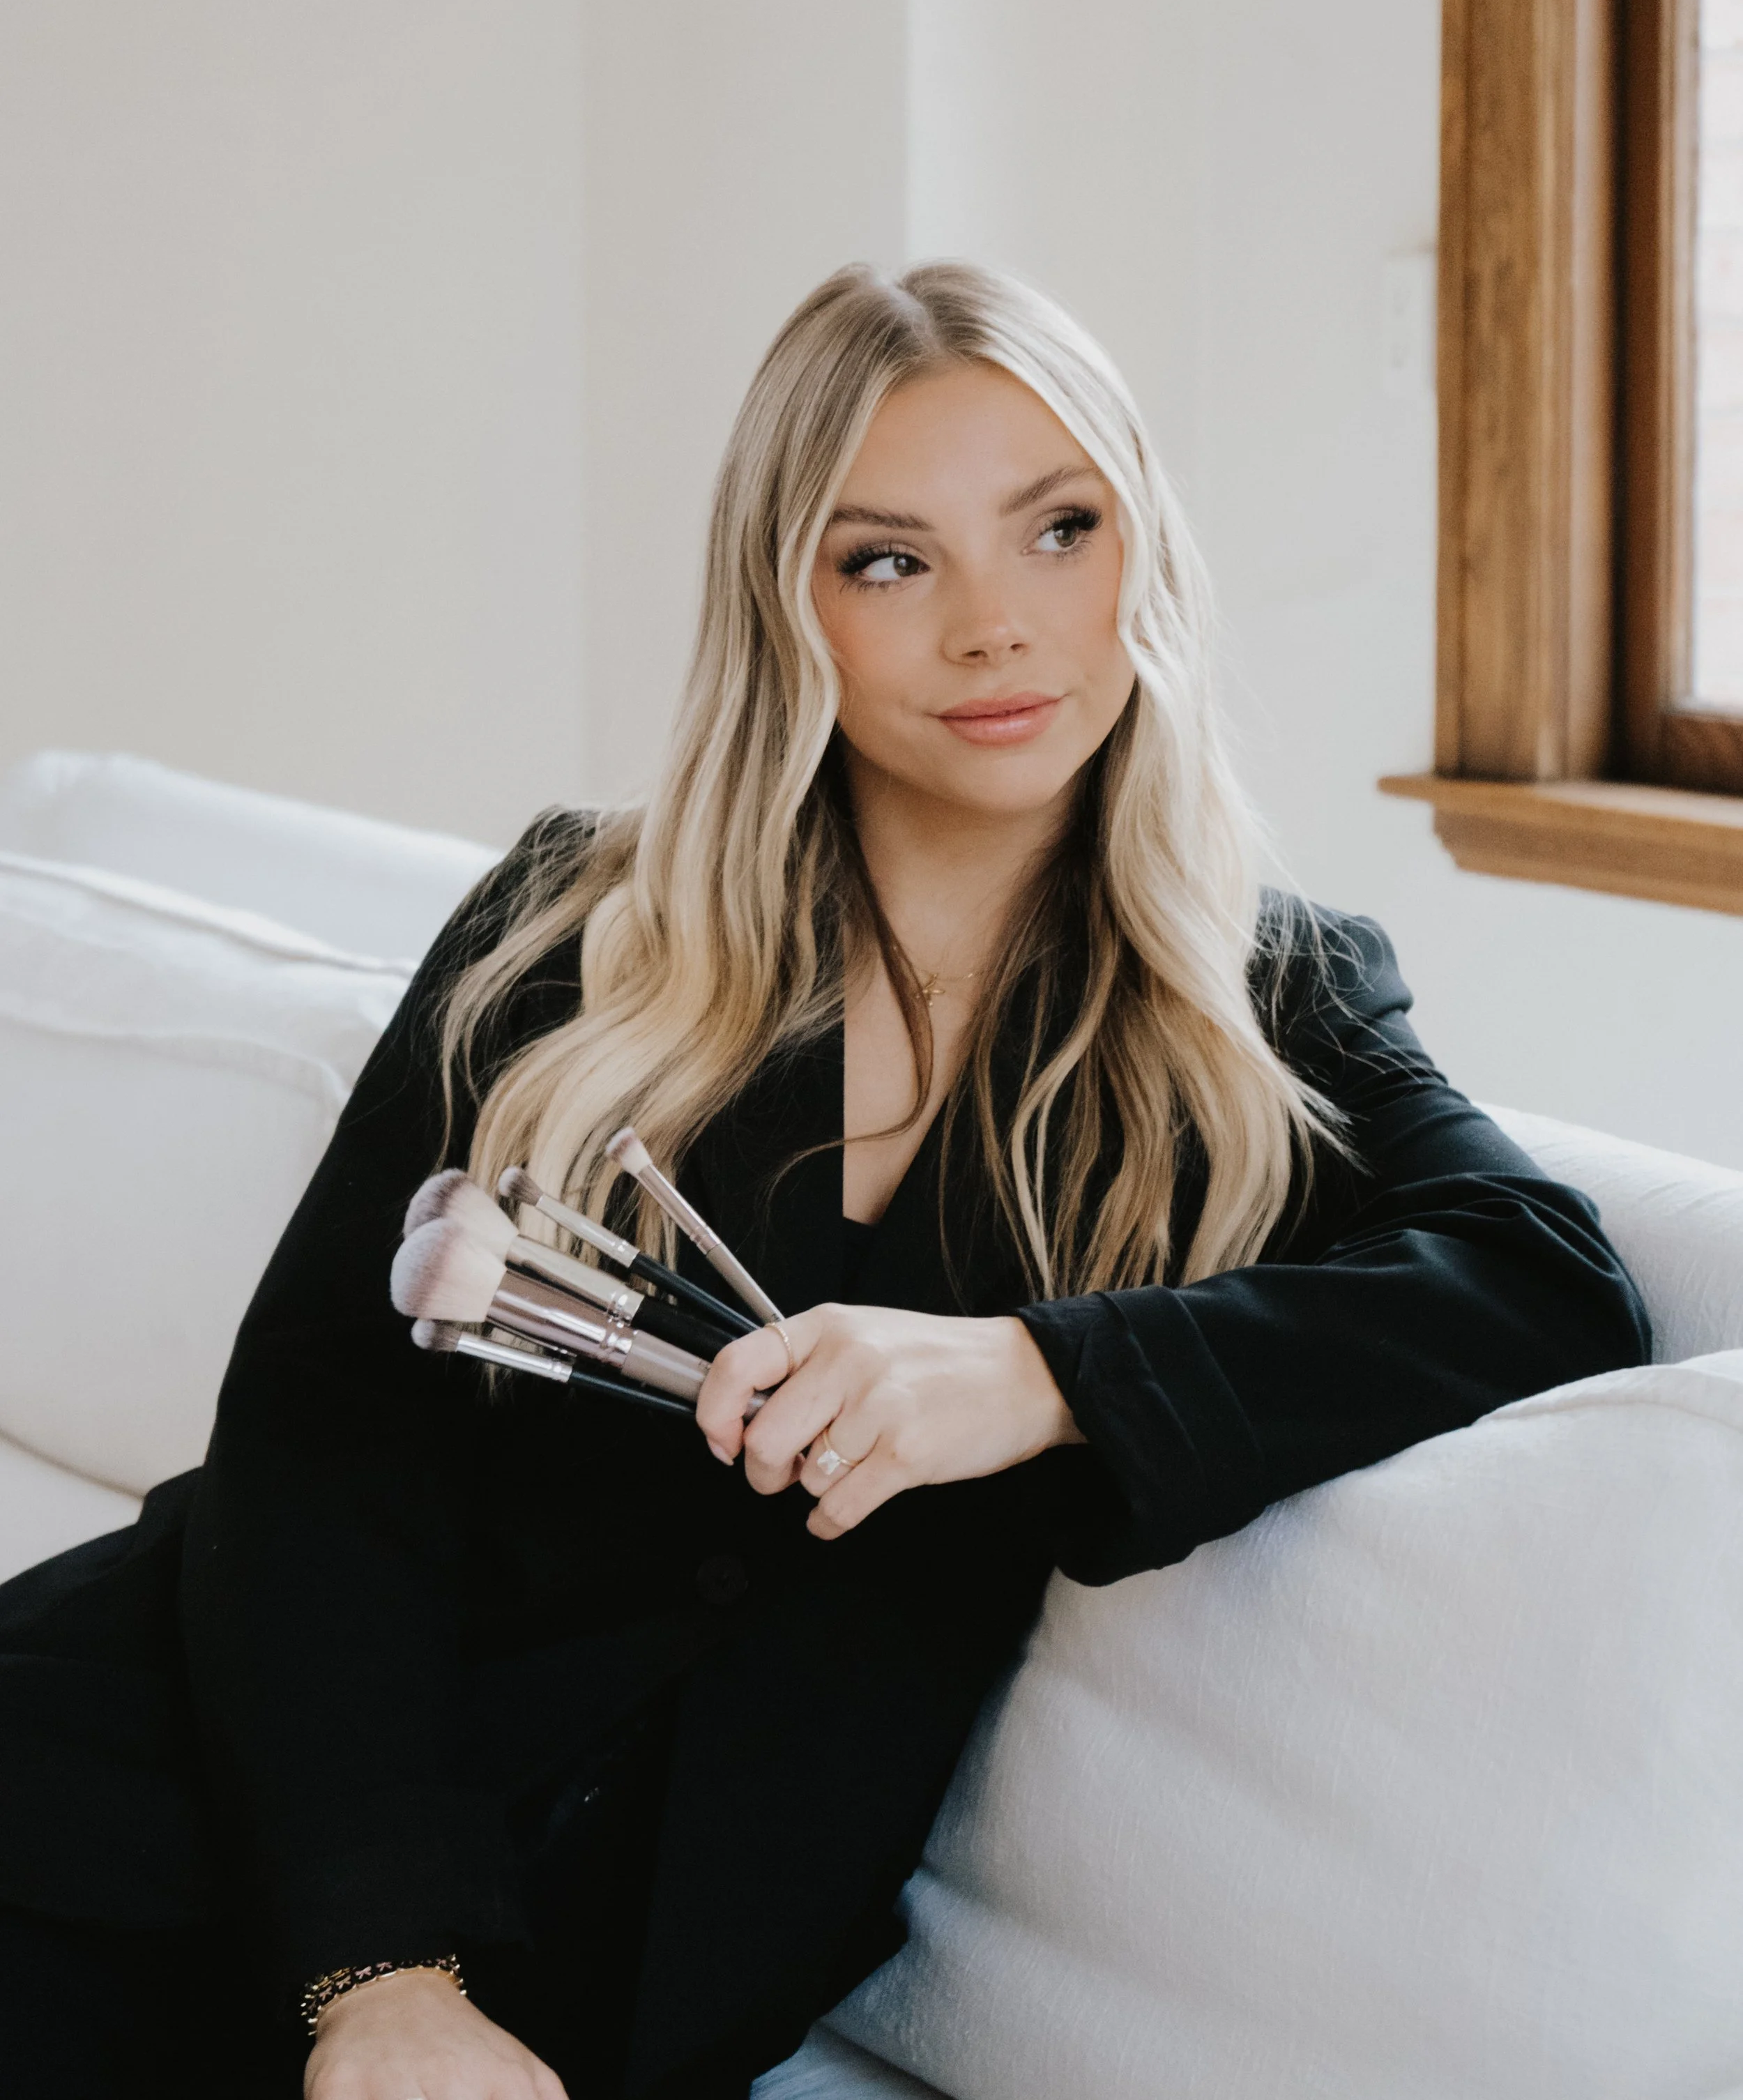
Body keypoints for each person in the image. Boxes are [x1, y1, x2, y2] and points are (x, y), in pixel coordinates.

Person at [0, 263, 1648, 2099]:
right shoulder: (580, 926)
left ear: (1145, 554)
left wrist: (1032, 1376)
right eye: (888, 560)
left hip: (622, 1994)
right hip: (168, 1835)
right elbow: (318, 1458)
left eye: (1058, 529)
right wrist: (380, 1974)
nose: (993, 627)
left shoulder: (1262, 1003)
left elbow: (1541, 1277)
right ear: (787, 602)